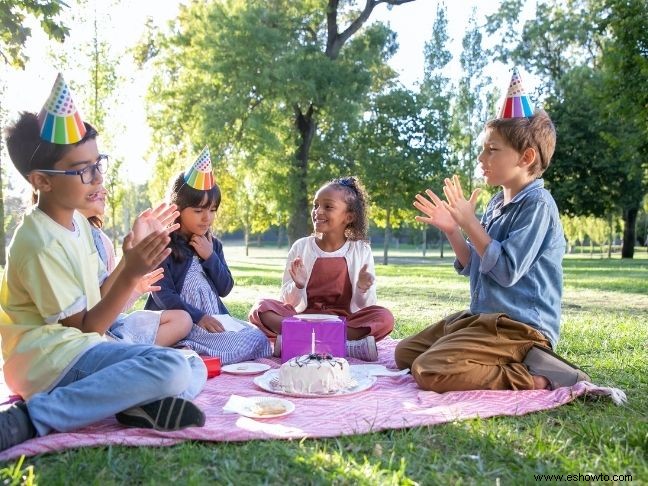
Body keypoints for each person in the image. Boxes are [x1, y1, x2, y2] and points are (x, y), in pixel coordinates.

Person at [0, 74, 206, 453]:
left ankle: (136, 404)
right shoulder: (40, 241)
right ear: (42, 181)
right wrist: (130, 272)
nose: (97, 177)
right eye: (83, 170)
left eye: (98, 163)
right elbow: (89, 327)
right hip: (47, 363)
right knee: (173, 369)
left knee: (192, 364)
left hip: (77, 350)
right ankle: (33, 418)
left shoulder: (75, 221)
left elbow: (95, 307)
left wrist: (129, 261)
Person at [395, 69, 590, 392]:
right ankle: (503, 358)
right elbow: (476, 264)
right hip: (483, 318)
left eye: (492, 150)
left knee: (428, 370)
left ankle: (537, 375)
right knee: (405, 354)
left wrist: (470, 223)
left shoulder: (538, 205)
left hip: (518, 327)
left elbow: (506, 270)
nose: (481, 157)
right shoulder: (496, 203)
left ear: (526, 157)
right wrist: (454, 231)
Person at [145, 148, 271, 364]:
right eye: (198, 210)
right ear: (178, 209)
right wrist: (199, 317)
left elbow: (225, 287)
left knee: (257, 338)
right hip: (183, 321)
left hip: (215, 321)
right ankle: (185, 347)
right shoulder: (163, 245)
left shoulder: (214, 245)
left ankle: (197, 353)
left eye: (212, 210)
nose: (207, 218)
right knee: (234, 347)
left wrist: (210, 256)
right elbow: (163, 295)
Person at [249, 176, 394, 362]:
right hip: (303, 318)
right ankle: (343, 345)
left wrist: (362, 289)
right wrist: (299, 286)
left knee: (384, 317)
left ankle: (299, 342)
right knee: (260, 308)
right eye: (315, 205)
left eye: (328, 206)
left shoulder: (361, 250)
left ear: (349, 217)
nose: (318, 211)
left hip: (343, 321)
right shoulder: (301, 247)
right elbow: (286, 301)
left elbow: (365, 305)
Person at [79, 189, 193, 346]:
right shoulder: (55, 240)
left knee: (183, 319)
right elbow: (85, 327)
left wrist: (134, 289)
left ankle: (127, 350)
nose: (104, 191)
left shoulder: (102, 242)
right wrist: (129, 274)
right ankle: (128, 352)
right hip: (86, 334)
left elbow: (107, 301)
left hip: (110, 326)